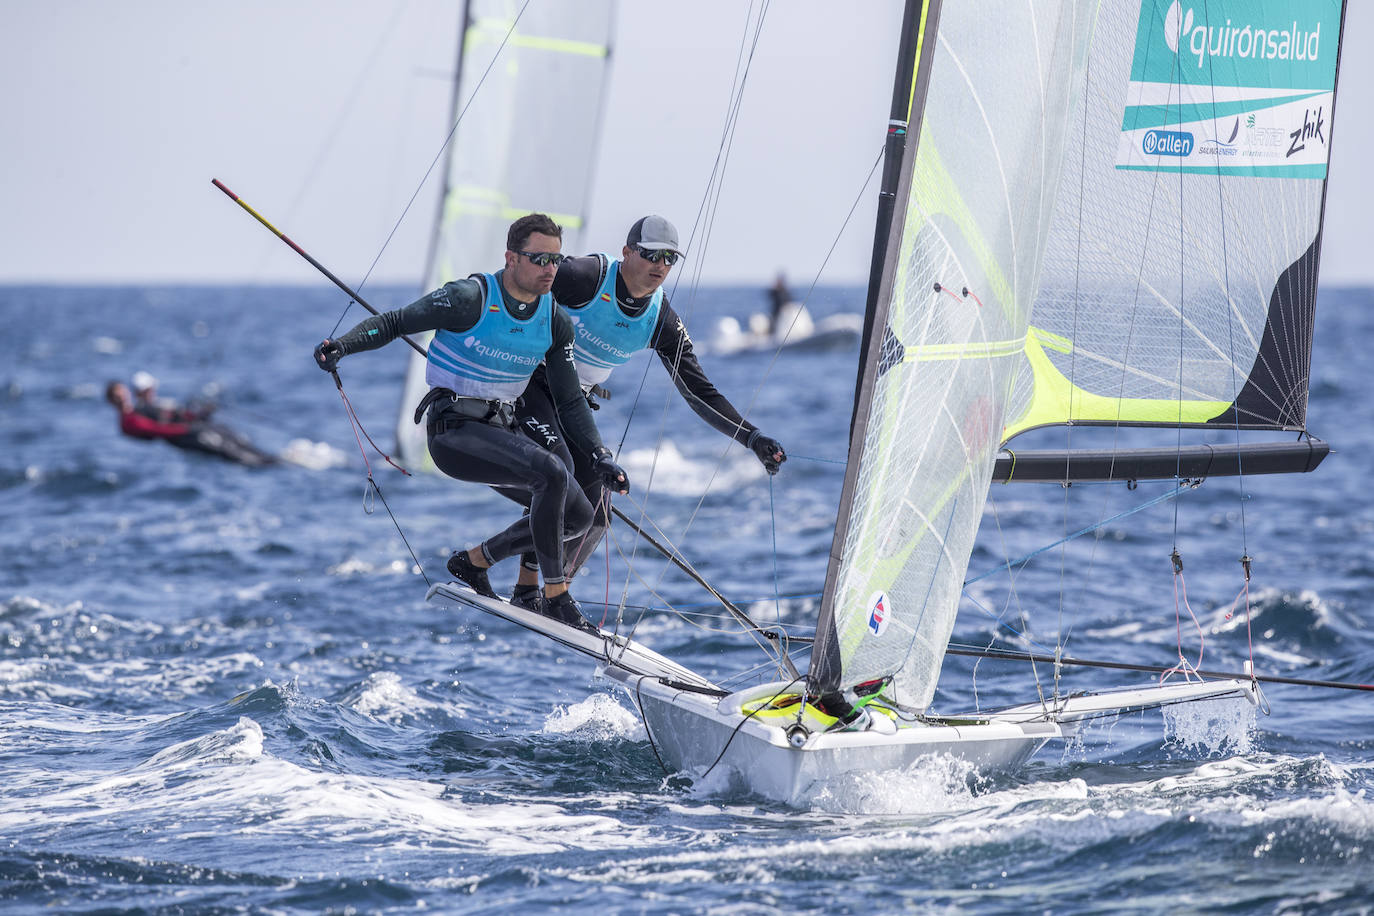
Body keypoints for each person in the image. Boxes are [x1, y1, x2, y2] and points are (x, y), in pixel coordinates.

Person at [311, 213, 629, 632]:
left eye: (556, 260)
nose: (549, 270)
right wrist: (342, 346)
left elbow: (570, 401)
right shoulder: (469, 298)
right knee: (551, 474)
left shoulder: (554, 320)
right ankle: (556, 597)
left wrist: (601, 456)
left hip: (504, 424)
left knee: (579, 515)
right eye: (538, 259)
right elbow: (394, 322)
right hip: (453, 429)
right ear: (511, 258)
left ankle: (473, 562)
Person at [502, 215, 786, 611]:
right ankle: (526, 584)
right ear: (627, 252)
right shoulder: (585, 277)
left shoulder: (659, 320)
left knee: (597, 516)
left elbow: (699, 391)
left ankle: (545, 596)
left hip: (571, 405)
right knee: (561, 482)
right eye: (651, 254)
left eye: (670, 258)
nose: (660, 265)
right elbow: (513, 283)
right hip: (525, 386)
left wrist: (752, 438)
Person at [105, 379, 277, 468]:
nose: (122, 396)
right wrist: (187, 428)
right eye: (117, 395)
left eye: (123, 392)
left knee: (229, 435)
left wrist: (198, 415)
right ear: (112, 400)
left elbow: (170, 415)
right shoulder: (128, 421)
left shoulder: (140, 408)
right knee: (226, 449)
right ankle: (266, 464)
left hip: (190, 430)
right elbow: (160, 430)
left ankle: (272, 459)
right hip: (185, 437)